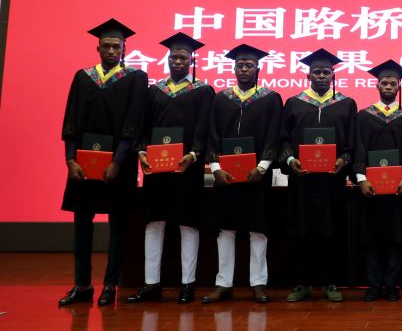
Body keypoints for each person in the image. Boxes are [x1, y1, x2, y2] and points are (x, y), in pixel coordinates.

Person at [59, 18, 148, 307]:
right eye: (106, 46)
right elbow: (71, 120)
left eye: (116, 46)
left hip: (119, 165)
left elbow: (134, 122)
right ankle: (82, 284)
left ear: (124, 49)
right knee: (81, 225)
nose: (111, 51)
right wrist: (70, 159)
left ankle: (110, 285)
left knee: (118, 226)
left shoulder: (135, 78)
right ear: (98, 48)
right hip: (84, 163)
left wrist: (118, 161)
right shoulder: (83, 77)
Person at [127, 33, 214, 305]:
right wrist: (142, 152)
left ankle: (187, 284)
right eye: (174, 56)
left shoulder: (202, 91)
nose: (178, 61)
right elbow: (143, 128)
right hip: (157, 168)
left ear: (191, 61)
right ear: (168, 58)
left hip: (187, 168)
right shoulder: (154, 91)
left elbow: (203, 129)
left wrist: (194, 154)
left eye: (183, 57)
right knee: (154, 223)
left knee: (188, 224)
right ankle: (151, 283)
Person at [202, 44, 283, 304]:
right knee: (225, 229)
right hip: (225, 175)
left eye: (249, 65)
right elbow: (212, 134)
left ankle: (258, 283)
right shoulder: (221, 99)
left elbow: (273, 135)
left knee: (258, 229)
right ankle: (223, 283)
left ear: (258, 69)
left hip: (256, 175)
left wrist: (262, 167)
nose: (244, 69)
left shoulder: (271, 99)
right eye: (240, 65)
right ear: (234, 68)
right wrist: (216, 168)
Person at [282, 48, 358, 303]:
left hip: (331, 180)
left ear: (333, 76)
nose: (322, 76)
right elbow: (283, 140)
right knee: (302, 231)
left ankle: (330, 282)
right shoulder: (294, 103)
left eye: (326, 72)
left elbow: (352, 143)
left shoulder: (346, 104)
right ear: (308, 76)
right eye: (317, 72)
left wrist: (343, 160)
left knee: (331, 230)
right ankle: (302, 283)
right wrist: (290, 160)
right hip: (302, 180)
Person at [354, 59, 402, 302]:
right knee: (371, 239)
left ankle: (391, 285)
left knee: (394, 238)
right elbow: (358, 148)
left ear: (399, 86)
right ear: (377, 86)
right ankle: (374, 286)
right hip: (370, 189)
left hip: (397, 189)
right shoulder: (364, 116)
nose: (389, 86)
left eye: (393, 83)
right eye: (385, 83)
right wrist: (361, 178)